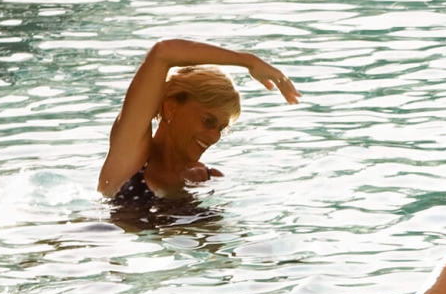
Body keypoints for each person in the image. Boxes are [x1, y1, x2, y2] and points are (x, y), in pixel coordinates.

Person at [96, 39, 301, 204]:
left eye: (221, 128)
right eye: (208, 121)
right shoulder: (131, 156)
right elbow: (162, 53)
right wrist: (248, 61)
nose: (214, 136)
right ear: (171, 107)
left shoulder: (206, 178)